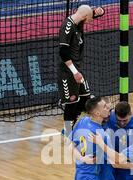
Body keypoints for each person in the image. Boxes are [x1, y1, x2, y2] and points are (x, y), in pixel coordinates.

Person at [58, 5, 105, 136]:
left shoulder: (79, 22)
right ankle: (68, 131)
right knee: (71, 103)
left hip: (77, 70)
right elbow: (63, 53)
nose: (90, 21)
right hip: (68, 72)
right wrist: (74, 72)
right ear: (84, 17)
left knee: (86, 98)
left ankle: (74, 124)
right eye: (89, 18)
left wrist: (97, 12)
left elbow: (86, 14)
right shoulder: (67, 27)